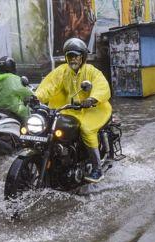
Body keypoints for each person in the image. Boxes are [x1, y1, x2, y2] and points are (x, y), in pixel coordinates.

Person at [35, 38, 112, 183]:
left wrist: (92, 99)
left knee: (87, 130)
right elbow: (49, 85)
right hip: (70, 108)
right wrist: (35, 97)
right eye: (70, 56)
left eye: (76, 56)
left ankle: (97, 169)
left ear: (82, 56)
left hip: (94, 109)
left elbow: (102, 86)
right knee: (50, 125)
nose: (73, 59)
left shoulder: (91, 71)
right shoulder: (62, 71)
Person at [0, 57, 32, 121]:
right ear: (12, 67)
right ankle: (28, 130)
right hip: (14, 111)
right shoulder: (14, 79)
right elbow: (27, 93)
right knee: (27, 111)